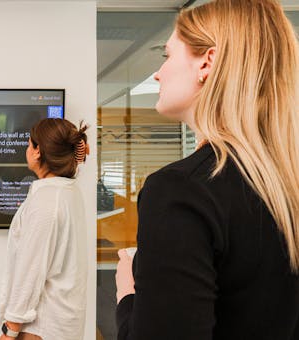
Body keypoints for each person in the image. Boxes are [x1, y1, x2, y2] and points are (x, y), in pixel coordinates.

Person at [115, 0, 299, 339]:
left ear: (207, 62)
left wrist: (128, 296)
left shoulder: (181, 190)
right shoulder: (286, 188)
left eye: (167, 55)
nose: (158, 72)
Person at [0, 118, 89, 340]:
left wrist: (10, 330)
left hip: (40, 327)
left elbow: (31, 270)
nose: (27, 149)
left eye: (29, 144)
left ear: (38, 151)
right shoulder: (68, 192)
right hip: (62, 322)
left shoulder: (48, 201)